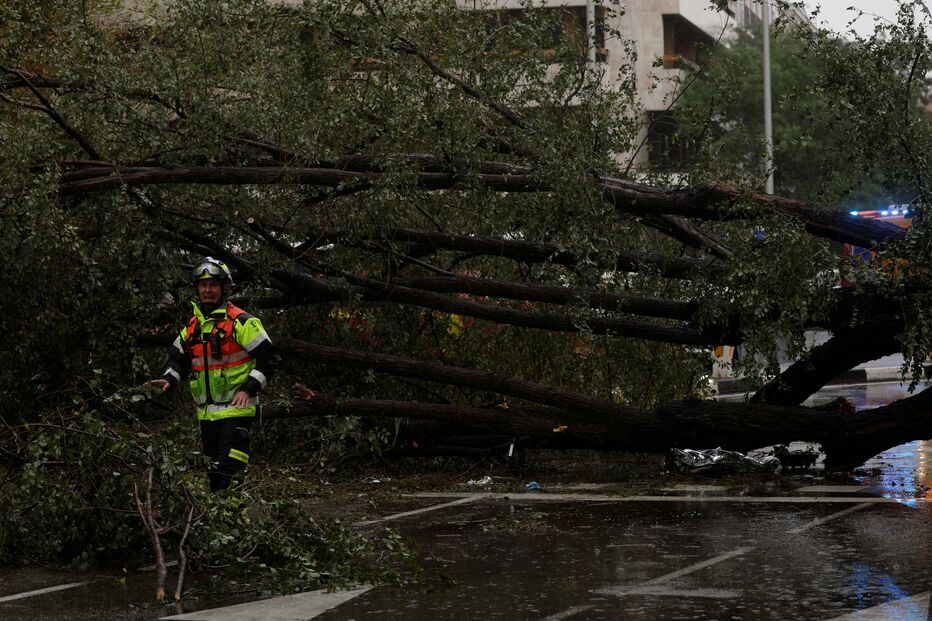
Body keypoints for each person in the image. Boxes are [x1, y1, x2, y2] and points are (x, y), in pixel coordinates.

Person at [148, 257, 279, 491]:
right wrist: (169, 378)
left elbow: (270, 358)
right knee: (213, 475)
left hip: (237, 412)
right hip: (207, 416)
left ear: (224, 288)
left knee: (227, 473)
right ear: (197, 289)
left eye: (213, 285)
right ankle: (221, 522)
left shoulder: (241, 322)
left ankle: (230, 522)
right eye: (203, 285)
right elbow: (179, 358)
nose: (207, 290)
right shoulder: (193, 327)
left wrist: (248, 388)